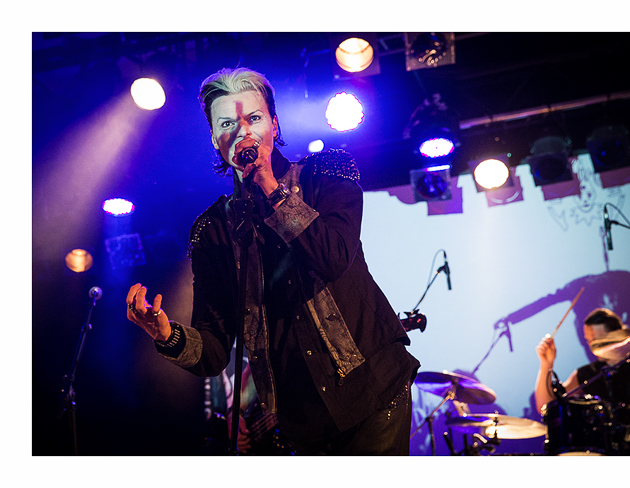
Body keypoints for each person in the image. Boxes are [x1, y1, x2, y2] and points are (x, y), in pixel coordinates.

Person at [126, 67, 420, 455]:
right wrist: (166, 335)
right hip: (304, 420)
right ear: (215, 138)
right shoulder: (212, 230)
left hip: (373, 393)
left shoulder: (325, 173)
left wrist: (271, 187)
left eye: (254, 118)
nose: (243, 131)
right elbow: (214, 348)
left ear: (274, 125)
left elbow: (332, 257)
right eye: (228, 123)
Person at [534, 308, 630, 454]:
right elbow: (545, 406)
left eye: (597, 339)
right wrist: (546, 363)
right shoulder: (587, 374)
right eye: (588, 340)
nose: (592, 346)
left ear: (618, 334)